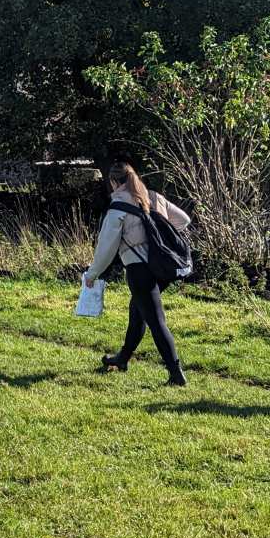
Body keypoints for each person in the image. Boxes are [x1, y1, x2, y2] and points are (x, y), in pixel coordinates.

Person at [85, 161, 192, 386]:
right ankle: (122, 358)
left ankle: (176, 373)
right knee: (138, 311)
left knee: (155, 320)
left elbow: (106, 248)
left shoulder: (117, 208)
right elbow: (183, 220)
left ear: (114, 182)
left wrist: (92, 274)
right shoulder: (153, 197)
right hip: (162, 269)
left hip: (139, 269)